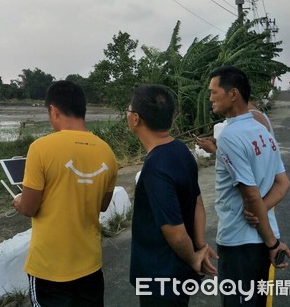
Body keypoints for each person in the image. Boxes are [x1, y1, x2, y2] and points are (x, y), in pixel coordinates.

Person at [12, 80, 118, 306]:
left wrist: (19, 201)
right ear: (82, 109)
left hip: (49, 269)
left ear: (53, 110)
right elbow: (103, 205)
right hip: (90, 266)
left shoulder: (40, 148)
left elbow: (30, 208)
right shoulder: (107, 152)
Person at [205, 66, 290, 306]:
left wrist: (272, 242)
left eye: (214, 92)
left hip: (238, 242)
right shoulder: (262, 130)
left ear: (233, 94)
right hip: (261, 240)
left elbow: (251, 197)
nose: (210, 97)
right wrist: (265, 223)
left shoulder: (230, 136)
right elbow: (283, 183)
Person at [127, 84, 217, 306]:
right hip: (177, 273)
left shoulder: (155, 167)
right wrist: (199, 243)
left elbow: (175, 233)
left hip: (160, 277)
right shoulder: (180, 151)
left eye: (128, 110)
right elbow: (197, 202)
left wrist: (194, 257)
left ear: (136, 119)